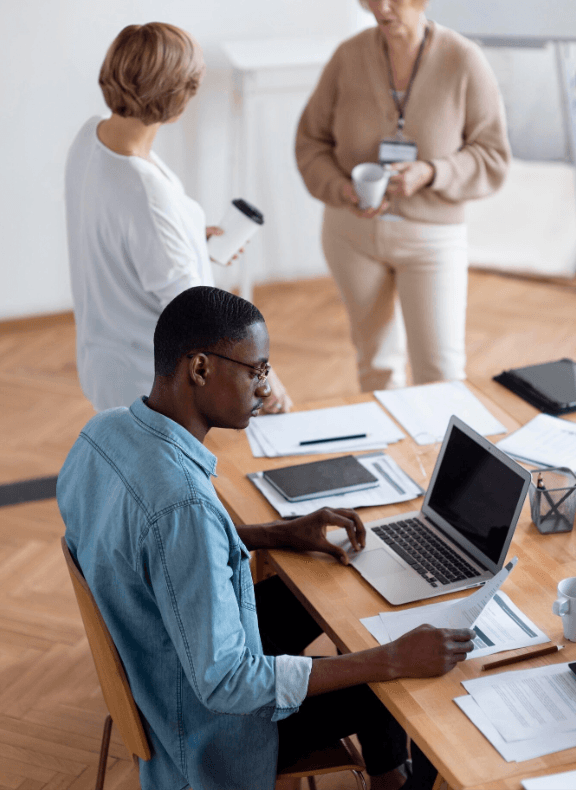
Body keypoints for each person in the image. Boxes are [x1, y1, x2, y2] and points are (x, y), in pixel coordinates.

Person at [57, 285, 475, 790]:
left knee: (331, 593)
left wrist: (274, 533)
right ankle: (397, 777)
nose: (265, 388)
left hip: (161, 658)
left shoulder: (103, 432)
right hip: (212, 733)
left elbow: (149, 543)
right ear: (200, 369)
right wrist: (391, 660)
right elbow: (229, 683)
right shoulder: (183, 507)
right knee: (393, 680)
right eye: (256, 370)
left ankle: (387, 772)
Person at [65, 22, 291, 414]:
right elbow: (198, 313)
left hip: (102, 359)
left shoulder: (92, 136)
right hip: (149, 381)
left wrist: (187, 240)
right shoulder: (147, 195)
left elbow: (118, 230)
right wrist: (264, 379)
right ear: (176, 97)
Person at [295, 0, 510, 391]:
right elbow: (310, 143)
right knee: (375, 369)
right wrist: (342, 189)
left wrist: (432, 172)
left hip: (432, 240)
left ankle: (443, 455)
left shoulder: (463, 60)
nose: (382, 8)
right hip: (351, 236)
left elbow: (493, 156)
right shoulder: (349, 55)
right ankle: (389, 454)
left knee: (441, 375)